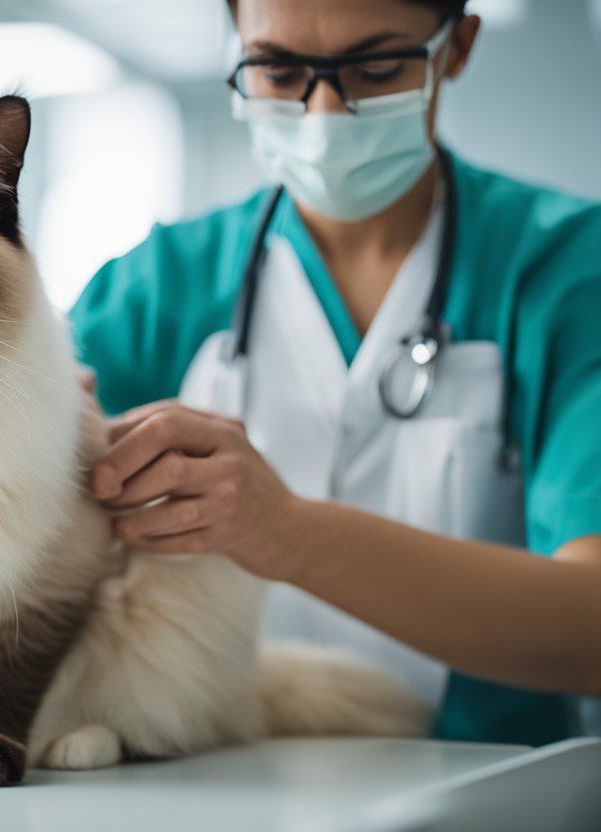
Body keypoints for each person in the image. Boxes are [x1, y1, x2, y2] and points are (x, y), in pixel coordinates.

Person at [69, 0, 601, 746]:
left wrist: (281, 531)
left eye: (377, 66)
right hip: (203, 780)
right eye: (278, 70)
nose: (324, 112)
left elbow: (592, 632)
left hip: (494, 791)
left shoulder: (569, 272)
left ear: (456, 48)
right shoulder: (156, 288)